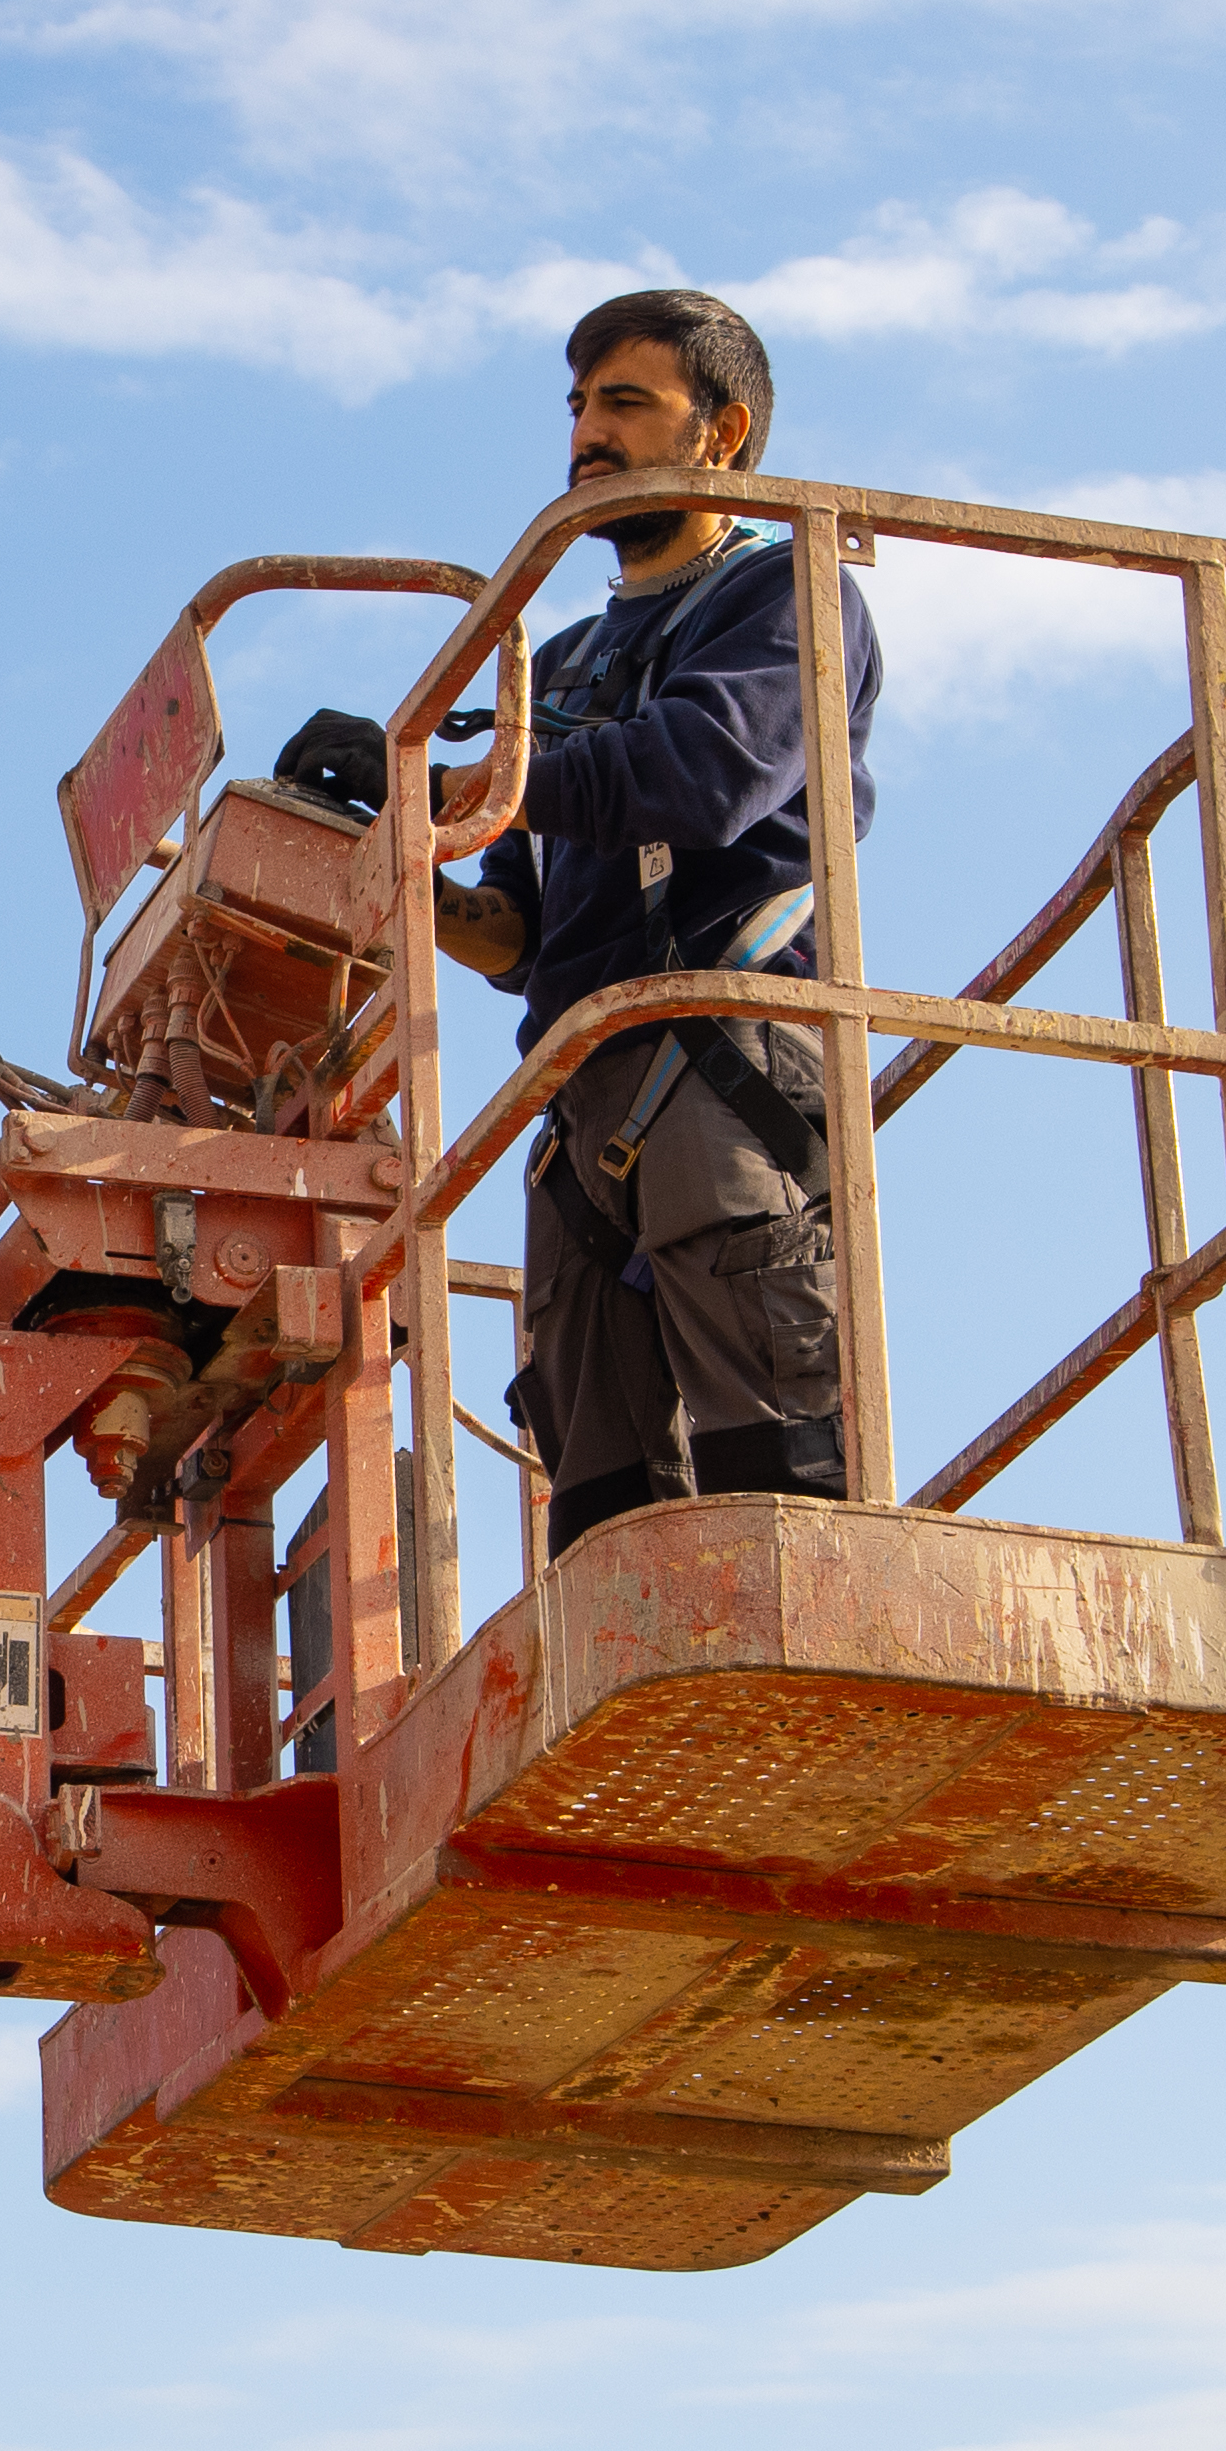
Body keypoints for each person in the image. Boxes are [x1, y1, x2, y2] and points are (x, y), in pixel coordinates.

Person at [430, 289, 880, 1554]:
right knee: (603, 1502)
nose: (588, 433)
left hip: (719, 1055)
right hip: (577, 1093)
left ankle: (798, 1714)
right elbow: (512, 929)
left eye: (626, 403)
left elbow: (704, 774)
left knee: (772, 1477)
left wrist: (466, 781)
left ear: (723, 432)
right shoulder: (560, 660)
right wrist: (403, 842)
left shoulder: (788, 591)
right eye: (578, 406)